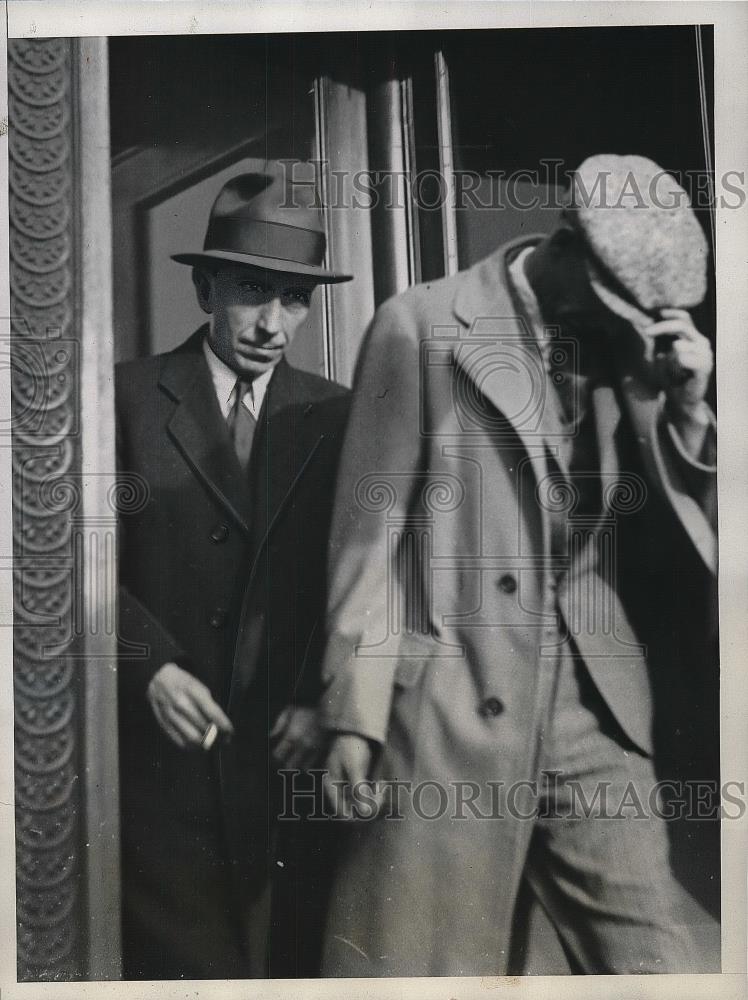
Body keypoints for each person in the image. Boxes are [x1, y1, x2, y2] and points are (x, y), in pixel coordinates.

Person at [318, 154, 718, 975]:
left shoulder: (629, 353)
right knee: (426, 965)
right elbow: (370, 539)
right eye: (610, 308)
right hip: (451, 706)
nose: (619, 330)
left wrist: (688, 409)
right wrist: (353, 716)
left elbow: (692, 543)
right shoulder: (421, 324)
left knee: (660, 963)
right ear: (567, 248)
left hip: (590, 707)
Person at [115, 165, 352, 979]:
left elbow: (366, 574)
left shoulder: (336, 414)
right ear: (206, 288)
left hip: (290, 779)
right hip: (157, 785)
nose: (274, 323)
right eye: (254, 290)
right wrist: (145, 663)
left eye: (295, 300)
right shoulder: (121, 401)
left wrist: (328, 700)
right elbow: (52, 560)